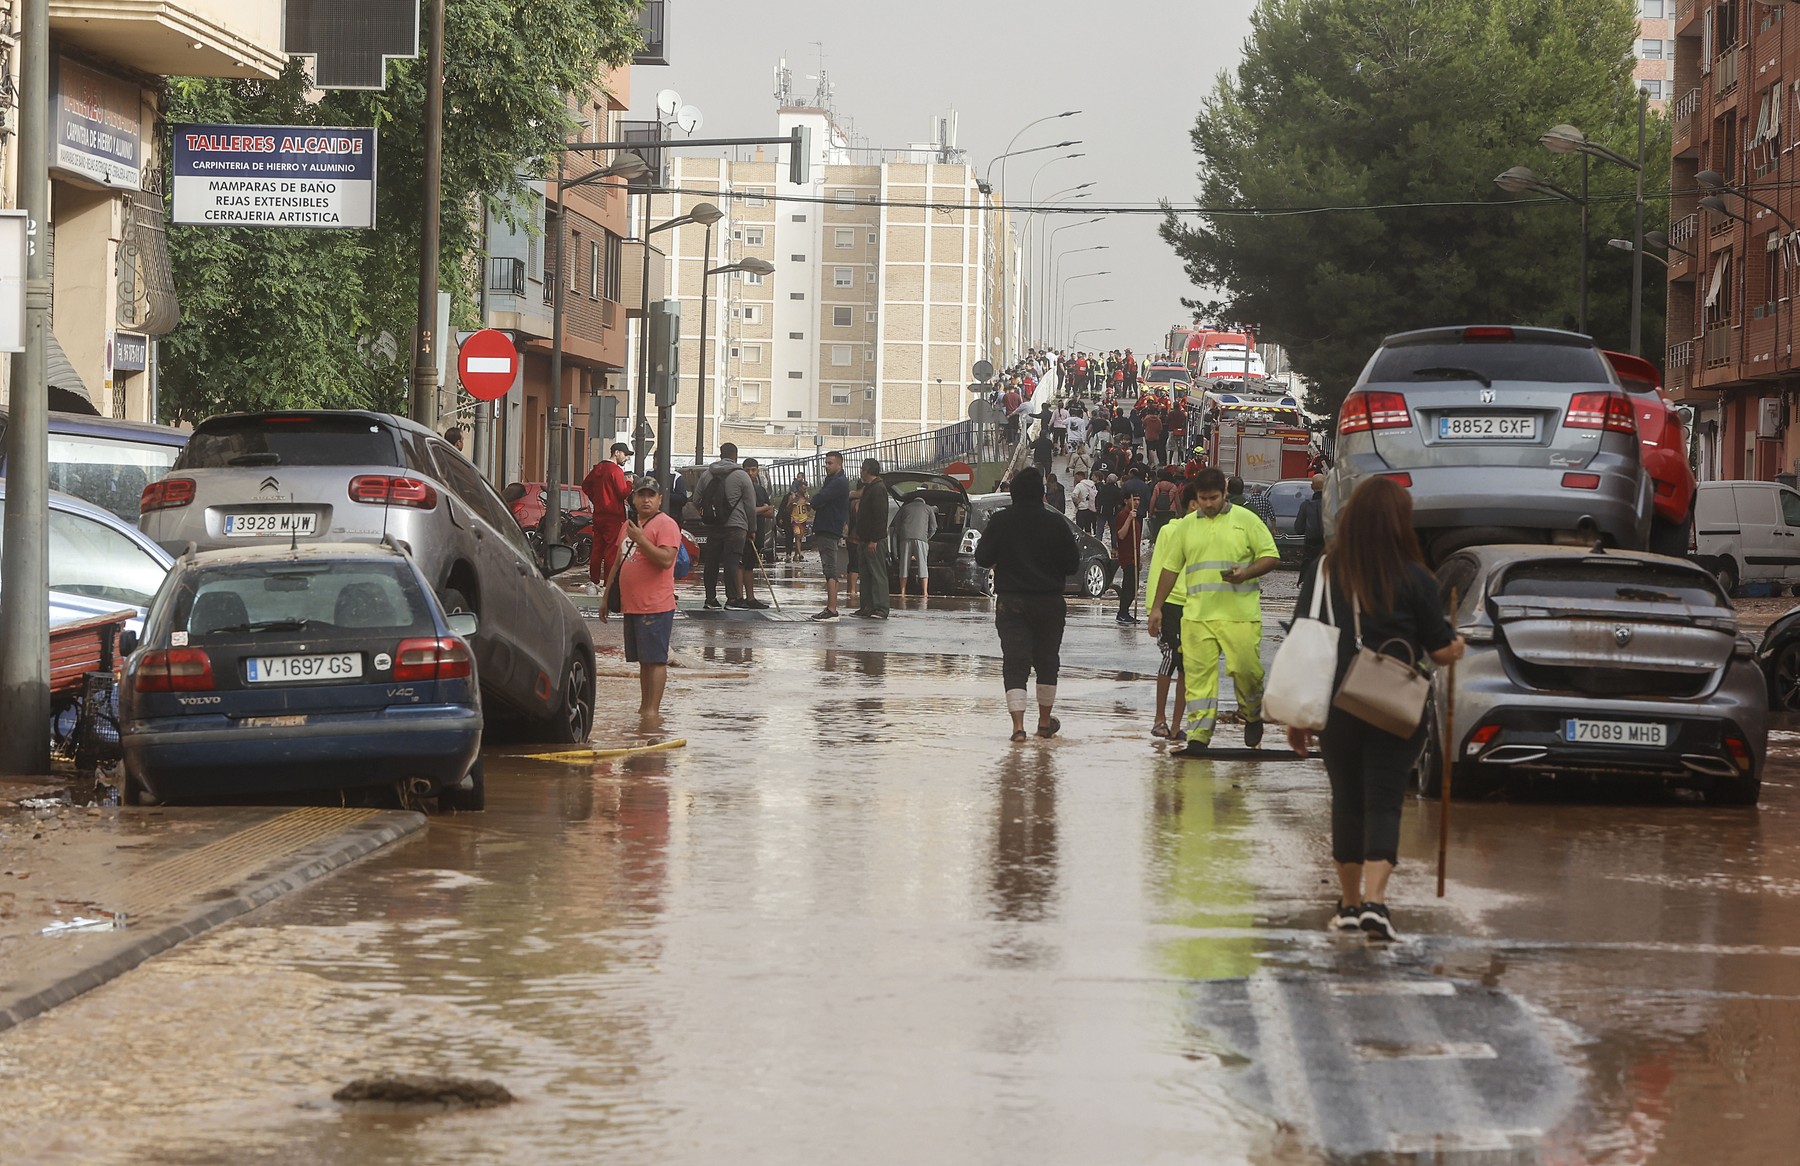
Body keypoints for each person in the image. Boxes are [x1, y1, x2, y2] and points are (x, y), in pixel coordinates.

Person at [1287, 477, 1464, 942]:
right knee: (1384, 801)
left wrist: (1297, 716)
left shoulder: (1326, 570)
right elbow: (1441, 652)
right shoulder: (1416, 577)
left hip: (1336, 703)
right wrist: (1457, 644)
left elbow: (1302, 637)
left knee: (1346, 800)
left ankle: (1346, 906)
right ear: (1400, 522)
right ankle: (1375, 903)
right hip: (1395, 704)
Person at [1147, 467, 1281, 756]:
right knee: (1197, 679)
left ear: (1224, 493)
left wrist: (1246, 572)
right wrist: (1157, 607)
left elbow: (1271, 556)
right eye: (1203, 498)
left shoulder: (1246, 521)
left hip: (1239, 615)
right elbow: (1170, 569)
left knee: (1247, 671)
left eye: (1214, 498)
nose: (1208, 504)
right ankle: (1198, 735)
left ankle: (1252, 712)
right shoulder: (1185, 528)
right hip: (1197, 616)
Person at [973, 467, 1081, 743]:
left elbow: (982, 557)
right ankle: (1044, 723)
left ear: (1014, 493)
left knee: (1015, 664)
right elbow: (1072, 564)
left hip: (1012, 602)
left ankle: (1018, 728)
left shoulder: (1001, 521)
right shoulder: (1056, 524)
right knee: (1047, 663)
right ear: (1042, 494)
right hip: (1049, 602)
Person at [597, 479, 681, 725]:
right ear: (633, 499)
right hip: (631, 605)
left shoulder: (666, 525)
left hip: (655, 605)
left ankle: (652, 713)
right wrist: (606, 596)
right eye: (641, 495)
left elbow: (666, 560)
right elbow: (617, 562)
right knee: (644, 661)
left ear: (659, 499)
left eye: (651, 495)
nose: (646, 500)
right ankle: (645, 709)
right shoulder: (629, 526)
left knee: (655, 660)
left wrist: (642, 539)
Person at [1147, 482, 1201, 740]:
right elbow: (1157, 567)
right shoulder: (1171, 531)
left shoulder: (1208, 534)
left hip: (1196, 607)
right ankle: (1160, 719)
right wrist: (1153, 608)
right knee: (1170, 657)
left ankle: (1178, 724)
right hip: (1170, 605)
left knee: (1187, 666)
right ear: (1193, 504)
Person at [695, 443, 756, 610]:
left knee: (711, 561)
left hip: (713, 525)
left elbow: (696, 499)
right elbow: (750, 505)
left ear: (721, 454)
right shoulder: (741, 476)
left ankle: (710, 599)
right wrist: (752, 528)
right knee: (732, 561)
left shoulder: (707, 474)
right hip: (736, 525)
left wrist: (708, 515)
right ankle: (733, 599)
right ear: (735, 455)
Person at [581, 442, 633, 593]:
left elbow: (586, 485)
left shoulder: (598, 468)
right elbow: (622, 493)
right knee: (611, 549)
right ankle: (607, 584)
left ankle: (594, 581)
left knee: (598, 548)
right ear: (617, 453)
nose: (626, 459)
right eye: (625, 455)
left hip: (598, 514)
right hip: (613, 516)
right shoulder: (615, 471)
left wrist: (596, 499)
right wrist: (629, 484)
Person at [809, 451, 851, 621]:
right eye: (825, 463)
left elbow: (819, 499)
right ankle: (831, 607)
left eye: (830, 463)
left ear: (839, 464)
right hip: (826, 527)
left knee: (830, 568)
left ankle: (832, 609)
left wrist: (815, 501)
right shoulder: (832, 481)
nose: (826, 466)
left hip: (829, 527)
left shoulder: (839, 482)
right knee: (828, 568)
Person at [851, 458, 892, 619]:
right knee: (866, 574)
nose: (861, 472)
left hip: (874, 540)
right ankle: (867, 606)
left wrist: (874, 539)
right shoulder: (869, 488)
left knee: (877, 574)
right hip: (864, 538)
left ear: (867, 470)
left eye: (862, 469)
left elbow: (880, 516)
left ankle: (881, 608)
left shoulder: (878, 489)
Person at [736, 458, 774, 609]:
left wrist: (762, 510)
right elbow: (745, 511)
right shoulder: (740, 488)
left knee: (750, 565)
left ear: (757, 471)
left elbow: (771, 512)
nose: (750, 473)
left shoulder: (760, 490)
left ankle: (750, 597)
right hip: (743, 531)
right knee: (740, 564)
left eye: (753, 470)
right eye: (747, 470)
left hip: (757, 531)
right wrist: (762, 509)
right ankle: (739, 597)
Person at [891, 489, 937, 600]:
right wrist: (926, 538)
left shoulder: (905, 508)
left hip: (905, 538)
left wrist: (901, 534)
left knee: (904, 565)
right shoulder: (928, 509)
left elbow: (896, 525)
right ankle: (925, 592)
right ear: (923, 502)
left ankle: (902, 591)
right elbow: (934, 527)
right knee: (922, 565)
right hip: (921, 539)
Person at [1113, 493, 1143, 625]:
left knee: (1134, 587)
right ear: (1126, 501)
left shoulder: (1135, 516)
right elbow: (1121, 534)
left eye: (1138, 500)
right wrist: (1129, 519)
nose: (1136, 502)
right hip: (1127, 558)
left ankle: (1126, 612)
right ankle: (1122, 613)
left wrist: (1139, 558)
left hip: (1134, 557)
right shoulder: (1123, 515)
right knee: (1129, 587)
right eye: (1134, 499)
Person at [1294, 472, 1327, 577]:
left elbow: (1298, 529)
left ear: (1312, 487)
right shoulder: (1332, 505)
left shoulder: (1306, 505)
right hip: (1328, 547)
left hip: (1310, 549)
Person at [1094, 473, 1123, 550]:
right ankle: (1114, 547)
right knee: (1113, 531)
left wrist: (1097, 508)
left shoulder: (1102, 489)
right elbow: (1120, 502)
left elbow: (1097, 499)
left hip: (1101, 511)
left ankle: (1098, 546)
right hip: (1112, 513)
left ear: (1107, 479)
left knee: (1099, 530)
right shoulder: (1117, 491)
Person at [1070, 469, 1097, 534]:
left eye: (1076, 477)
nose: (1075, 479)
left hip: (1081, 510)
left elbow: (1073, 495)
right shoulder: (1092, 485)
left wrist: (1077, 502)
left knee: (1079, 529)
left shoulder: (1079, 485)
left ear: (1080, 477)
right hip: (1090, 509)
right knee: (1088, 528)